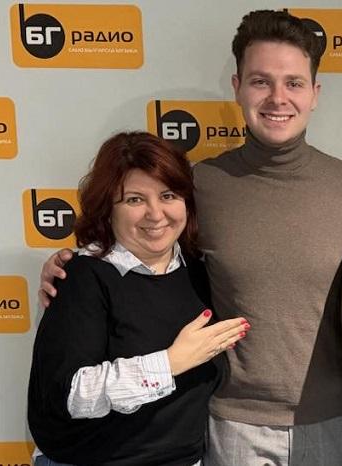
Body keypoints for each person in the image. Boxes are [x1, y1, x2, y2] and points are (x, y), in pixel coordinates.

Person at [38, 10, 342, 466]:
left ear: (315, 94)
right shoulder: (199, 186)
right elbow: (145, 250)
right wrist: (72, 266)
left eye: (294, 83)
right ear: (237, 87)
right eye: (261, 81)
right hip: (231, 423)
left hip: (333, 420)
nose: (278, 98)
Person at [27, 131, 248, 465]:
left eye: (168, 195)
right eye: (134, 200)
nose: (155, 214)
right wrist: (170, 363)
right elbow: (69, 395)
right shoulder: (84, 277)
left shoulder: (200, 272)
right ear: (108, 209)